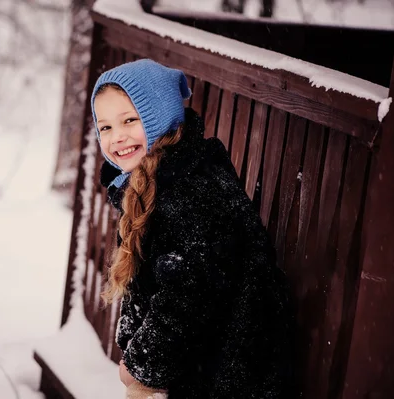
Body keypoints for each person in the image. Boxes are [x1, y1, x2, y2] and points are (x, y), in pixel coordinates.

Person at [90, 59, 295, 398]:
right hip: (196, 368)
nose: (117, 137)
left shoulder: (191, 190)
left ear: (161, 118)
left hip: (230, 380)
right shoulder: (151, 182)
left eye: (130, 120)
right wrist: (134, 349)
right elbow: (148, 287)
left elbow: (189, 295)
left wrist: (141, 365)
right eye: (106, 127)